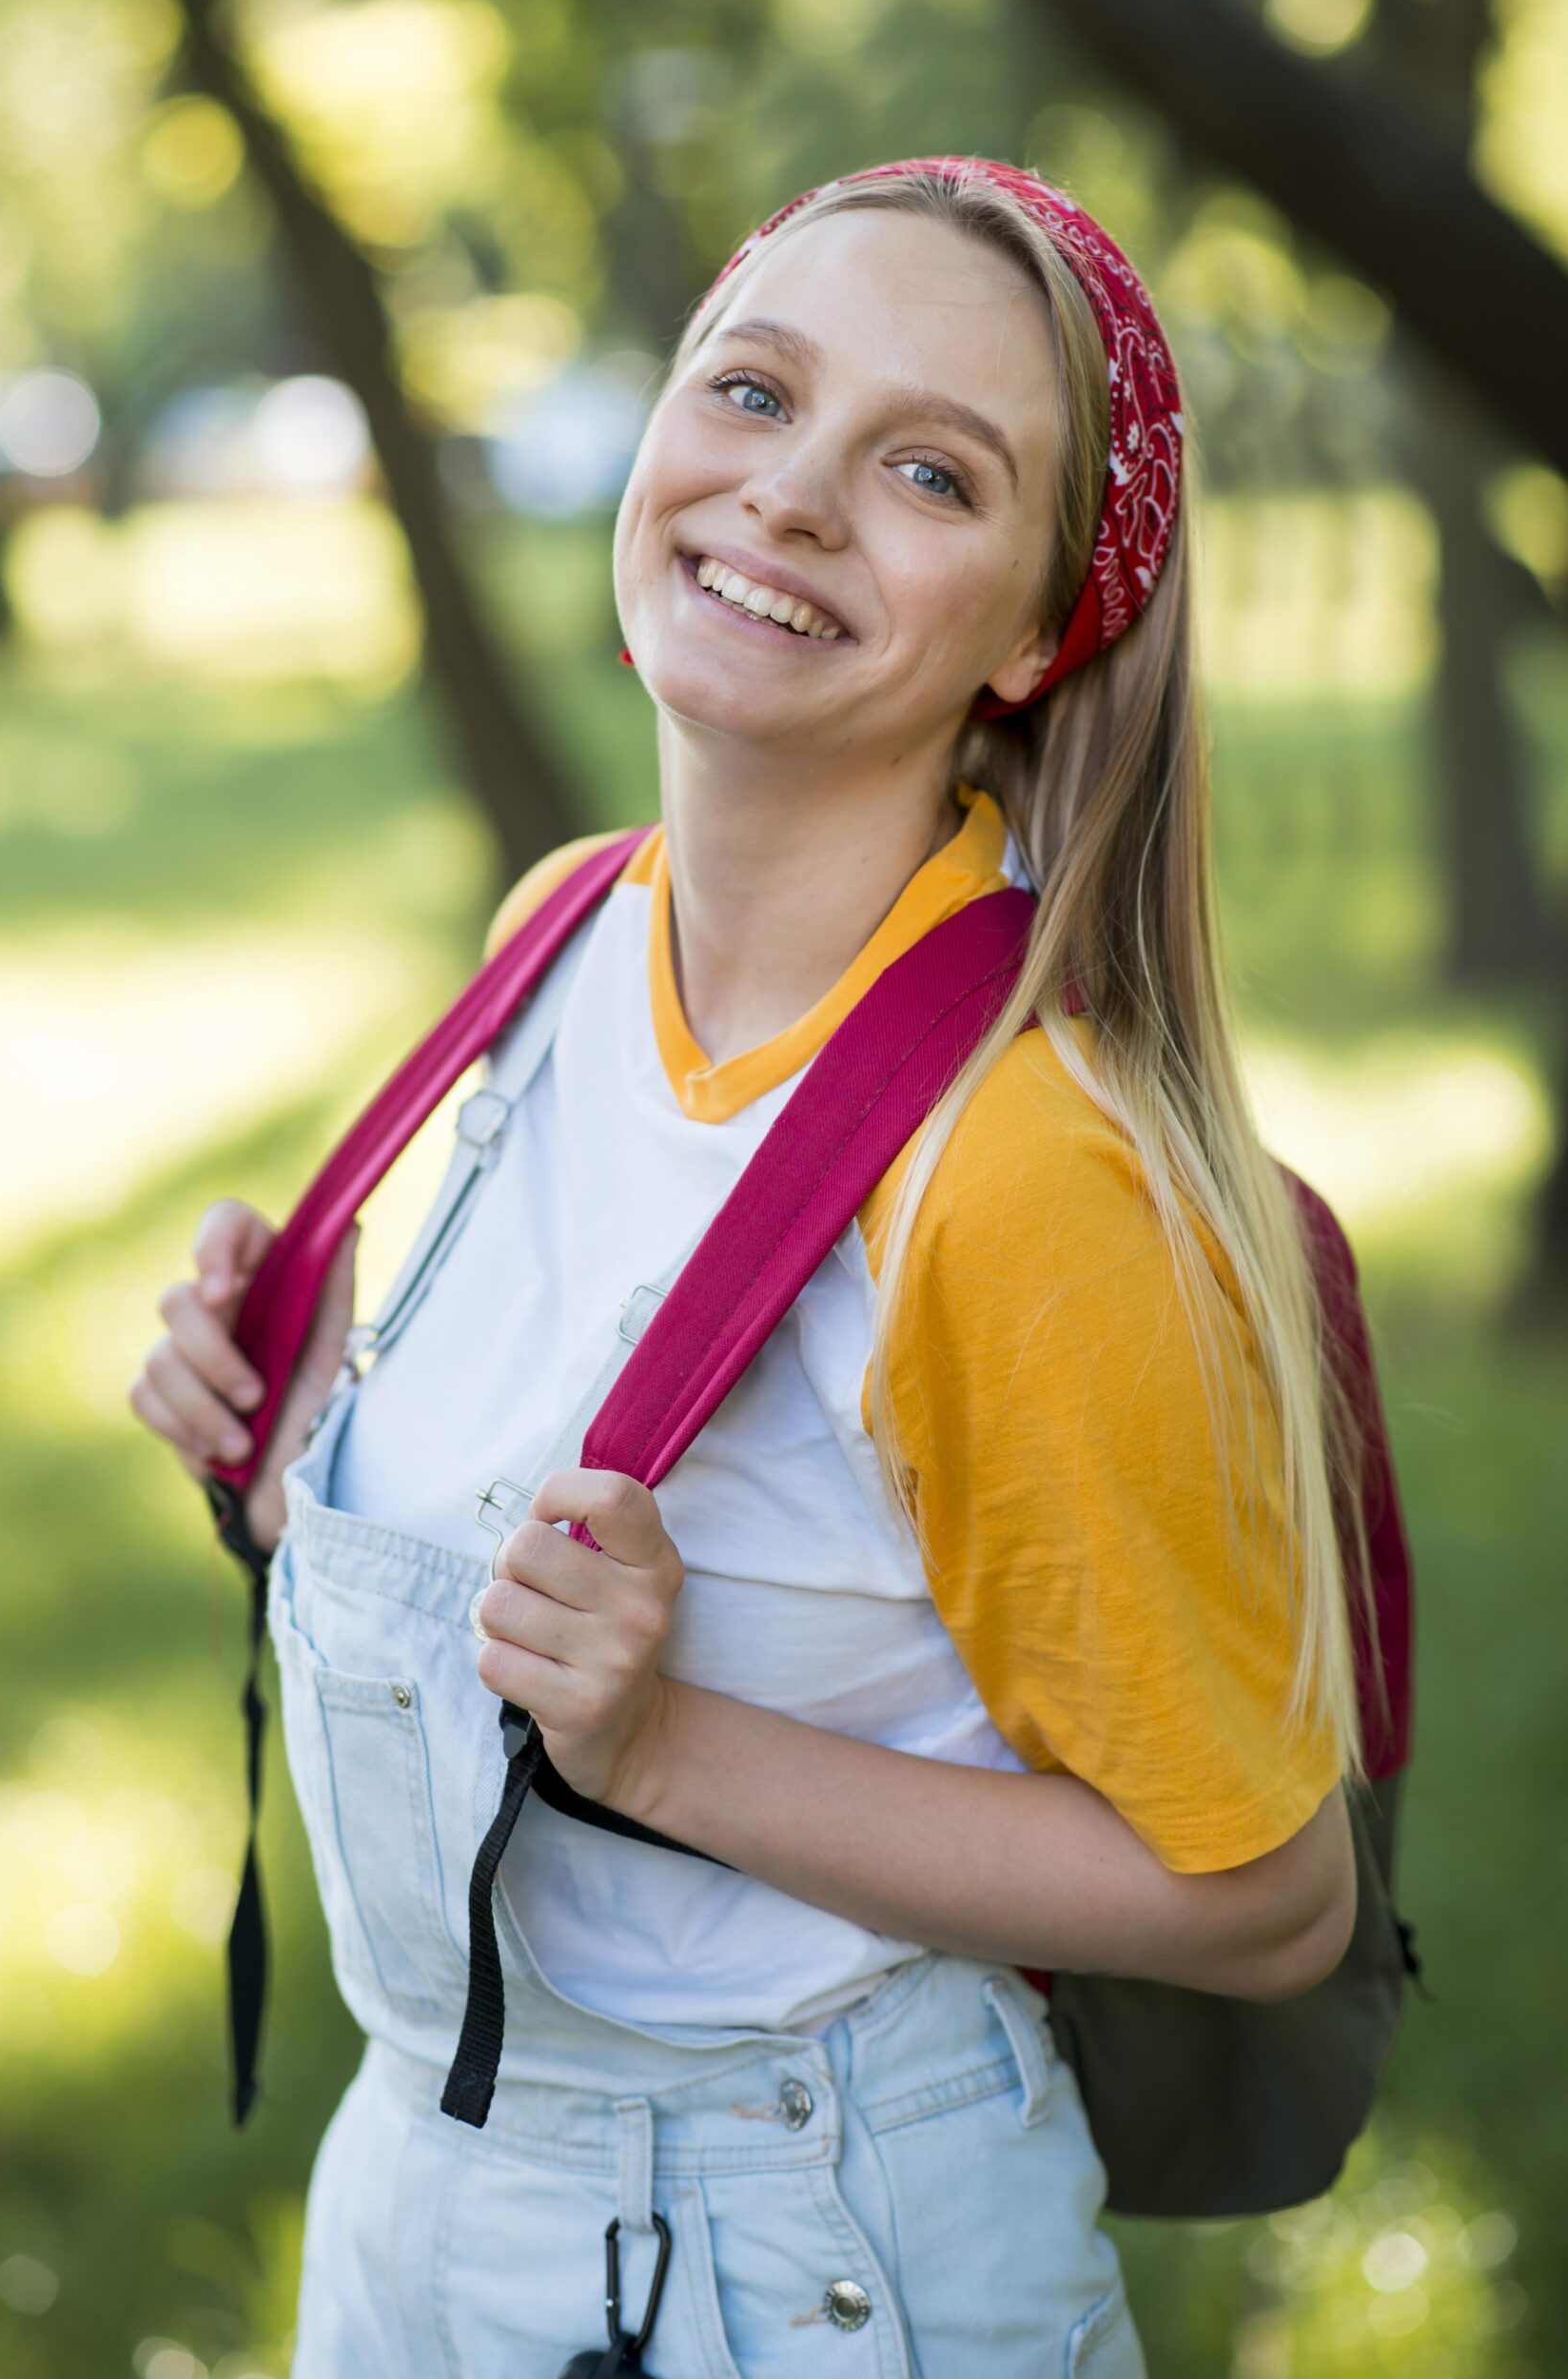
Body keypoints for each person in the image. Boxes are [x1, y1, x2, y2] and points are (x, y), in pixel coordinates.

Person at [130, 157, 1369, 2376]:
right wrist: (296, 1433)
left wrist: (665, 1740)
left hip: (797, 2246)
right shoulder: (559, 934)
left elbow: (1266, 1892)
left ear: (1033, 627)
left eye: (924, 467)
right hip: (423, 2177)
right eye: (752, 387)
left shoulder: (1021, 1170)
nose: (788, 493)